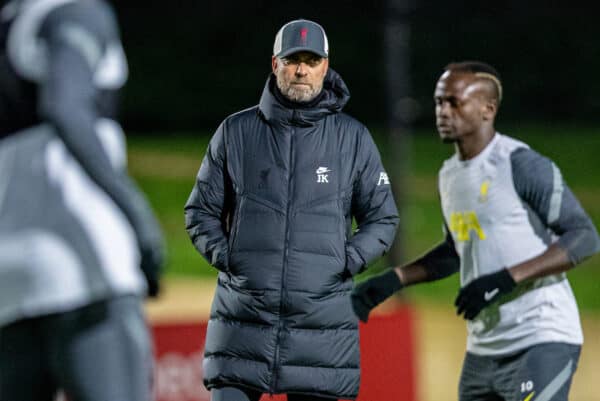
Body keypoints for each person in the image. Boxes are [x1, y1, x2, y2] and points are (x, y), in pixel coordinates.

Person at [351, 61, 600, 401]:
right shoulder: (449, 175)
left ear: (488, 109)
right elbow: (458, 251)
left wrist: (506, 278)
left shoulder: (521, 164)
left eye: (454, 102)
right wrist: (395, 279)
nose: (442, 111)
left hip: (541, 338)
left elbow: (584, 237)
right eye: (439, 102)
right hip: (483, 350)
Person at [185, 18, 398, 401]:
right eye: (292, 59)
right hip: (241, 323)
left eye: (311, 60)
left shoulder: (353, 138)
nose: (301, 69)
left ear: (325, 67)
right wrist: (231, 258)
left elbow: (382, 218)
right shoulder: (235, 132)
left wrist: (342, 261)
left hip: (322, 330)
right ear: (275, 64)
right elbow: (200, 212)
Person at [0, 1, 165, 400]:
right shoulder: (79, 11)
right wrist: (138, 216)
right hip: (84, 267)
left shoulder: (10, 24)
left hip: (9, 282)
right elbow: (66, 107)